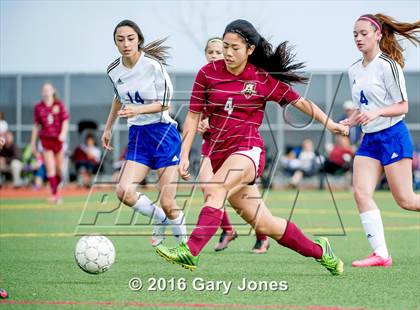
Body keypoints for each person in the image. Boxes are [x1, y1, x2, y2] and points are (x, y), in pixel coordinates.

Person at [156, 19, 348, 275]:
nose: (227, 52)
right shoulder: (207, 74)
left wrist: (330, 123)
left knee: (215, 190)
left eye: (234, 47)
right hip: (217, 155)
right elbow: (192, 116)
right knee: (267, 225)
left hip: (248, 152)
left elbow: (300, 102)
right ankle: (322, 252)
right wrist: (183, 154)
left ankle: (190, 250)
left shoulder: (261, 78)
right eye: (225, 46)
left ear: (250, 50)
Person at [341, 14, 420, 267]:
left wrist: (377, 112)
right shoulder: (353, 69)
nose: (358, 38)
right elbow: (361, 107)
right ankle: (381, 254)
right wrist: (348, 121)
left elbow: (403, 106)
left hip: (393, 135)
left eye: (364, 33)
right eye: (355, 34)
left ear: (378, 35)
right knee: (361, 193)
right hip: (370, 140)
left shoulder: (388, 65)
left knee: (406, 201)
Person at [102, 20, 186, 247]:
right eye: (120, 39)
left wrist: (137, 110)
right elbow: (118, 98)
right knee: (123, 191)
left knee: (169, 203)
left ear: (139, 40)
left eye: (130, 38)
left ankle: (186, 248)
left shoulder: (153, 66)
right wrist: (108, 126)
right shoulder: (113, 70)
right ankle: (159, 218)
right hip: (138, 136)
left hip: (163, 135)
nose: (126, 43)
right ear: (115, 43)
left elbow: (166, 104)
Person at [30, 82, 69, 203]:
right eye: (44, 90)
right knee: (50, 168)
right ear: (42, 93)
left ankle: (54, 190)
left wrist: (63, 133)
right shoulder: (38, 107)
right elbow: (36, 126)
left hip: (58, 141)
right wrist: (32, 144)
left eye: (48, 90)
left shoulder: (59, 105)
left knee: (59, 170)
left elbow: (65, 121)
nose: (46, 92)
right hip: (46, 141)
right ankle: (55, 194)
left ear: (53, 91)